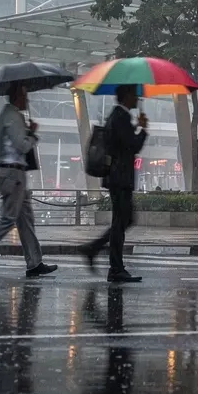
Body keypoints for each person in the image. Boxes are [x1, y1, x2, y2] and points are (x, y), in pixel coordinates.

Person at [0, 82, 57, 279]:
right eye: (25, 96)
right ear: (17, 96)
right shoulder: (14, 117)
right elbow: (22, 146)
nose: (27, 100)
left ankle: (35, 262)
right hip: (13, 174)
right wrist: (32, 133)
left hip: (7, 173)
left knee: (26, 218)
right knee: (8, 219)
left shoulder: (3, 117)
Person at [83, 84, 148, 283]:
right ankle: (114, 267)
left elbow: (123, 144)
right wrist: (143, 128)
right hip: (120, 178)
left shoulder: (116, 117)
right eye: (135, 94)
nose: (137, 98)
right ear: (127, 95)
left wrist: (136, 127)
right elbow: (133, 146)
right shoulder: (121, 117)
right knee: (123, 221)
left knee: (122, 221)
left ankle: (98, 252)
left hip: (116, 177)